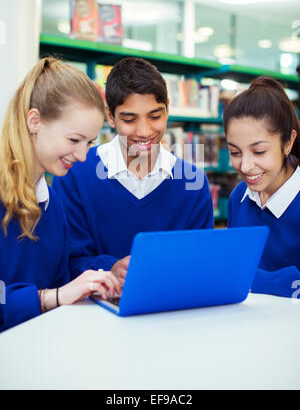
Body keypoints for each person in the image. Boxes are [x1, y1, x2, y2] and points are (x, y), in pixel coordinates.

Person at [53, 57, 214, 285]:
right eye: (129, 119)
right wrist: (110, 269)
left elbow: (201, 262)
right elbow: (67, 262)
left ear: (168, 108)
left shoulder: (193, 182)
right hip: (94, 312)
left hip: (172, 310)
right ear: (110, 116)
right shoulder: (76, 172)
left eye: (155, 116)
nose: (144, 131)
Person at [0, 57, 121, 332]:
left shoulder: (52, 204)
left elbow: (60, 280)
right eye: (74, 140)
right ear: (34, 121)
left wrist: (93, 282)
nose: (81, 156)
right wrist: (50, 297)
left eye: (89, 143)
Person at [223, 76, 300, 298]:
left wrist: (249, 280)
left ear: (288, 142)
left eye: (259, 152)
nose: (245, 166)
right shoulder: (239, 196)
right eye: (235, 152)